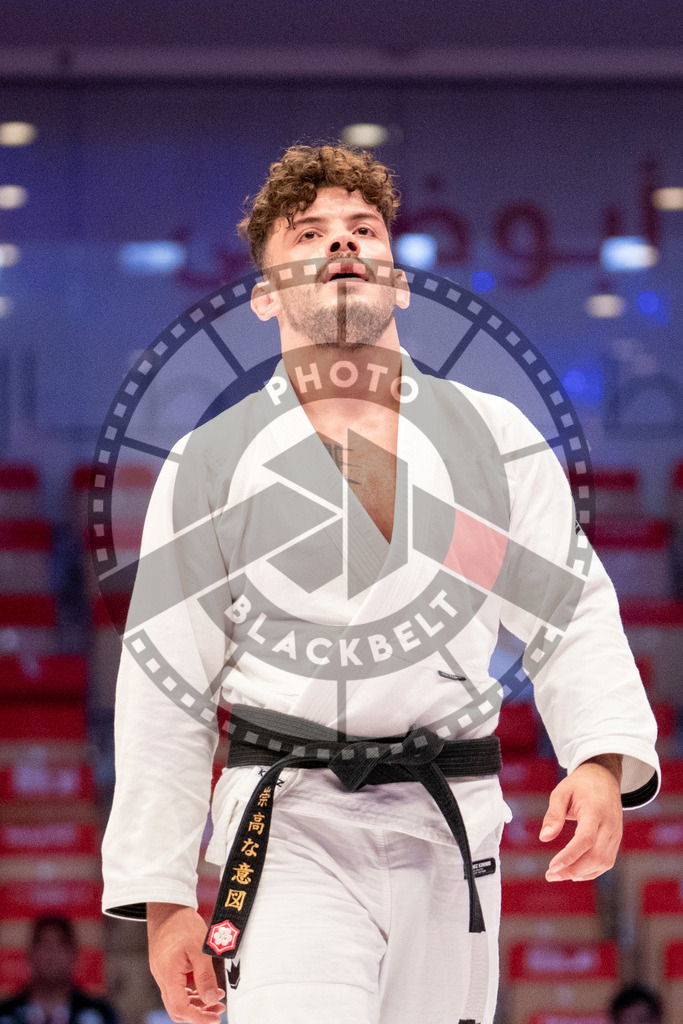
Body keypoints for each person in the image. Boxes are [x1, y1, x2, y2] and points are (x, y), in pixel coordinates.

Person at [101, 143, 661, 1024]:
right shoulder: (214, 462)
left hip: (450, 831)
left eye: (363, 229)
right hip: (288, 829)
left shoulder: (487, 436)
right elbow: (162, 686)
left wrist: (596, 759)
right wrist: (165, 898)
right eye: (310, 233)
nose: (342, 246)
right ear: (263, 295)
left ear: (399, 281)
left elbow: (565, 608)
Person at [0, 916, 119, 1024]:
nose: (52, 953)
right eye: (44, 944)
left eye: (61, 944)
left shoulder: (101, 1014)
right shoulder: (5, 1013)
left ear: (74, 954)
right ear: (30, 952)